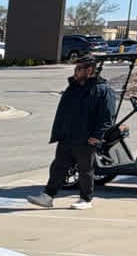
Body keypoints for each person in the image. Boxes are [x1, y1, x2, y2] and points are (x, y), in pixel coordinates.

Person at [29, 55, 117, 210]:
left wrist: (97, 136)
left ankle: (86, 199)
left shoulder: (103, 91)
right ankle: (48, 196)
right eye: (75, 68)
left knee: (85, 169)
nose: (75, 72)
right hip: (67, 136)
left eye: (79, 69)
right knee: (59, 167)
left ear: (89, 70)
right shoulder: (73, 88)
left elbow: (107, 117)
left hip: (87, 138)